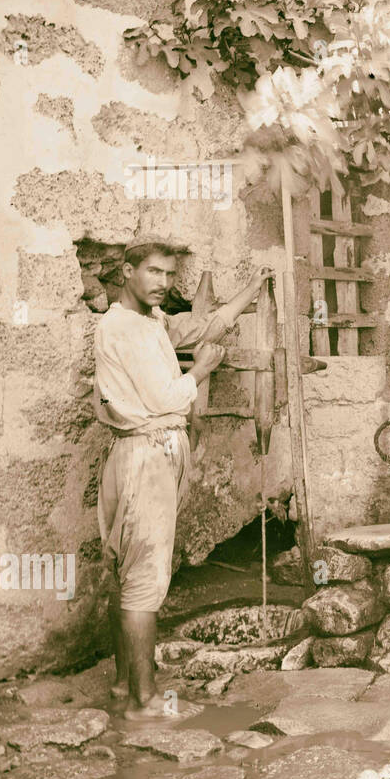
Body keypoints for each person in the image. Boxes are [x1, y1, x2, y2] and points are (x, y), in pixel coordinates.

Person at [93, 237, 273, 722]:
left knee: (129, 572)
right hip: (146, 455)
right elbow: (166, 397)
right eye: (153, 272)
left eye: (169, 275)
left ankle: (121, 683)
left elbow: (204, 324)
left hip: (142, 453)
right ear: (126, 271)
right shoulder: (123, 329)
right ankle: (143, 702)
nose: (164, 283)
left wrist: (249, 291)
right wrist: (203, 370)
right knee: (145, 578)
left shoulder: (149, 322)